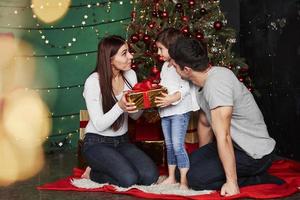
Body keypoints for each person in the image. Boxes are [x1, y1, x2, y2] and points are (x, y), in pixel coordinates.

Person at [168, 38, 284, 196]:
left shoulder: (217, 85)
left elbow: (224, 136)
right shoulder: (200, 82)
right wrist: (203, 159)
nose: (173, 68)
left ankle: (256, 178)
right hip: (234, 146)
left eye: (175, 66)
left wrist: (231, 182)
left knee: (196, 179)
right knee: (182, 170)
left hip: (253, 153)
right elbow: (205, 122)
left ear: (187, 69)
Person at [81, 35, 159, 187]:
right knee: (128, 179)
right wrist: (120, 106)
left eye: (129, 51)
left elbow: (135, 116)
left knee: (150, 176)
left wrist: (145, 100)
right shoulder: (93, 82)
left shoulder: (130, 75)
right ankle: (92, 172)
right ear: (110, 59)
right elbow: (99, 125)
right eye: (124, 53)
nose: (131, 56)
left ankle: (111, 167)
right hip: (97, 143)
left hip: (122, 141)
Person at [154, 28, 199, 189]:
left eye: (161, 49)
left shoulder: (181, 65)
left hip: (179, 112)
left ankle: (184, 180)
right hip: (165, 112)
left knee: (178, 145)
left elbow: (186, 87)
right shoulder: (165, 66)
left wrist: (173, 98)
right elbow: (164, 84)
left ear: (172, 47)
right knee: (169, 145)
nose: (159, 52)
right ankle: (172, 177)